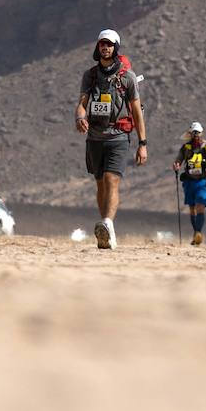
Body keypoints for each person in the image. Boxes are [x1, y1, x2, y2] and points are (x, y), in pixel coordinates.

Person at [75, 29, 147, 250]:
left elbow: (136, 111)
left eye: (109, 44)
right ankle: (107, 230)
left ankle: (107, 222)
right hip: (95, 137)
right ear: (98, 48)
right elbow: (82, 103)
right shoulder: (91, 75)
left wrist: (142, 143)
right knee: (100, 184)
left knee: (111, 180)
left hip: (119, 137)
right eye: (102, 44)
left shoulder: (128, 77)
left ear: (116, 48)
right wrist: (79, 116)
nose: (105, 47)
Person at [173, 122, 206, 246]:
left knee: (200, 204)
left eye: (198, 132)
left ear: (201, 133)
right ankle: (196, 234)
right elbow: (178, 160)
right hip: (189, 181)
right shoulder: (186, 148)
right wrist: (177, 165)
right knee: (192, 208)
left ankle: (198, 232)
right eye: (194, 132)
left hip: (203, 181)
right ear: (190, 134)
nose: (196, 135)